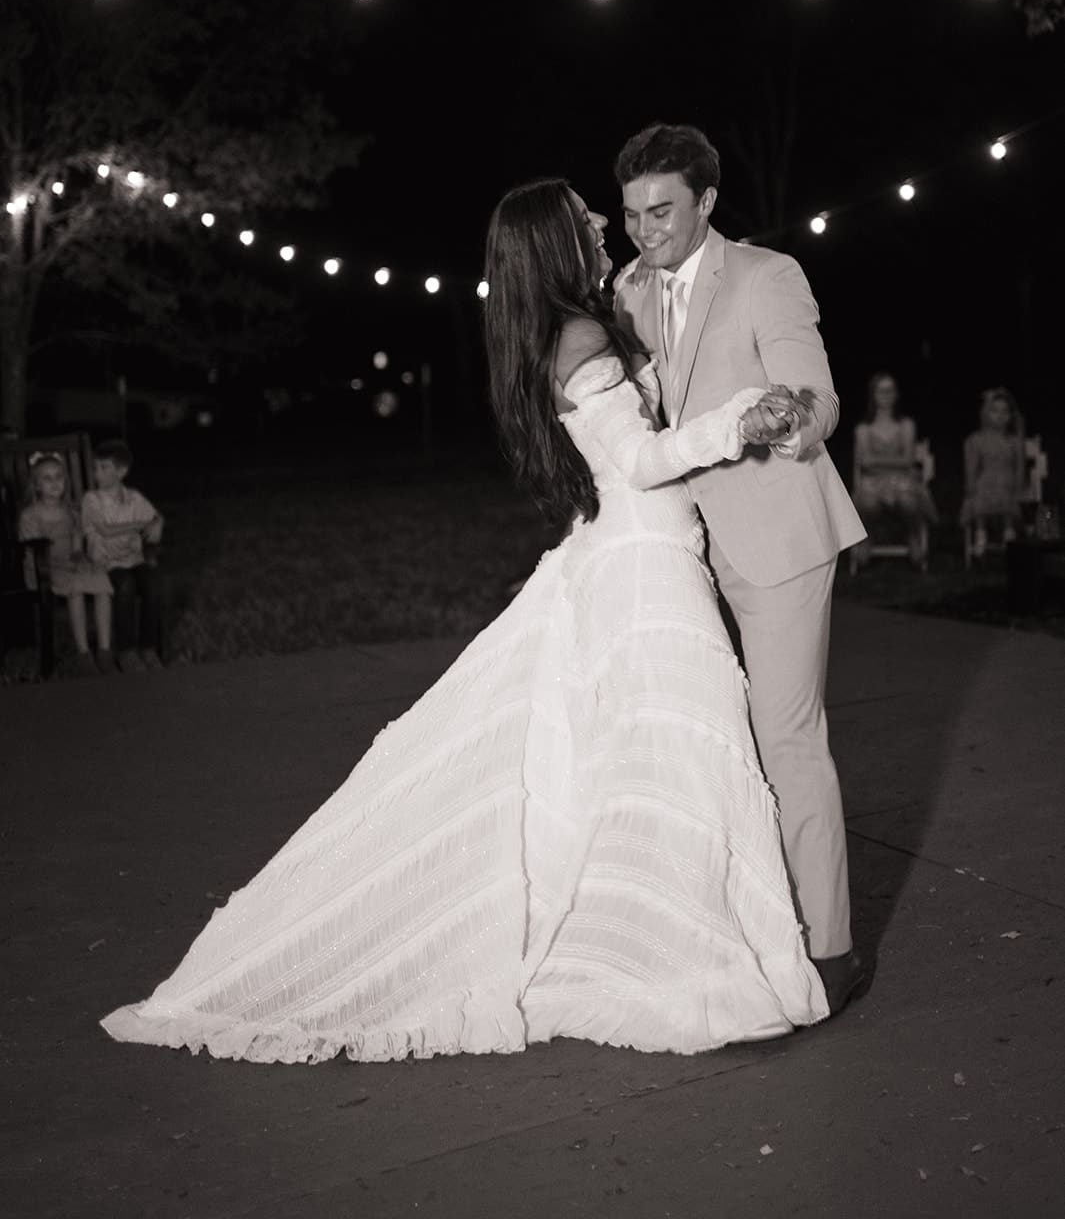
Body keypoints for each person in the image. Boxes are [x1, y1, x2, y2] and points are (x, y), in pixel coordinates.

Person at [102, 176, 830, 1064]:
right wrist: (735, 420)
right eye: (584, 218)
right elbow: (638, 461)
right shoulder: (580, 336)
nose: (603, 223)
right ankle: (690, 961)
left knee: (642, 762)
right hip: (646, 569)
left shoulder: (563, 329)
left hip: (631, 554)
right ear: (555, 243)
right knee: (676, 756)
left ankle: (663, 939)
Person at [613, 123, 869, 1016]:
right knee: (706, 746)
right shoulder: (624, 293)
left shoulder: (768, 275)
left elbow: (815, 392)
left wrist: (788, 420)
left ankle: (829, 949)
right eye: (633, 214)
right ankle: (740, 929)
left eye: (663, 212)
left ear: (707, 203)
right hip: (677, 553)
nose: (646, 231)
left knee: (786, 739)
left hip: (777, 539)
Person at [18, 451, 114, 676]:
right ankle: (83, 654)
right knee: (76, 588)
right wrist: (64, 565)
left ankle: (104, 650)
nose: (54, 483)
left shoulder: (71, 512)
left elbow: (77, 546)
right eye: (47, 478)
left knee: (101, 579)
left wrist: (80, 558)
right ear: (36, 485)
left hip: (69, 564)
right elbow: (31, 552)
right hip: (43, 569)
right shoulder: (30, 515)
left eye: (59, 477)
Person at [80, 439, 165, 673]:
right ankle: (126, 650)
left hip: (133, 559)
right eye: (95, 468)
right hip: (106, 562)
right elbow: (106, 530)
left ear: (121, 471)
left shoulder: (134, 498)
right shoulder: (91, 500)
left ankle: (149, 647)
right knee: (125, 585)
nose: (97, 473)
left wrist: (157, 523)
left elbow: (155, 517)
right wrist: (138, 524)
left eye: (104, 468)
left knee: (152, 584)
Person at [852, 372, 938, 566]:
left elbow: (907, 460)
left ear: (896, 394)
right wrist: (893, 461)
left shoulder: (906, 425)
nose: (886, 395)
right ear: (873, 395)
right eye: (881, 391)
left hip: (902, 480)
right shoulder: (864, 428)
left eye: (890, 390)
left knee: (908, 499)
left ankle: (914, 534)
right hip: (873, 483)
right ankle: (867, 537)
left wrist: (877, 461)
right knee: (868, 502)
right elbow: (865, 463)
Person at [961, 387, 1027, 557]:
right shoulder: (977, 440)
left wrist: (1019, 486)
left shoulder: (1014, 441)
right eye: (995, 411)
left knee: (1005, 492)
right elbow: (972, 467)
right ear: (985, 414)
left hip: (1008, 481)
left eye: (1005, 411)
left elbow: (1019, 466)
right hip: (985, 481)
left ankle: (1008, 532)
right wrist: (970, 487)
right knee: (981, 492)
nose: (1000, 415)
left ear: (1011, 415)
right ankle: (981, 534)